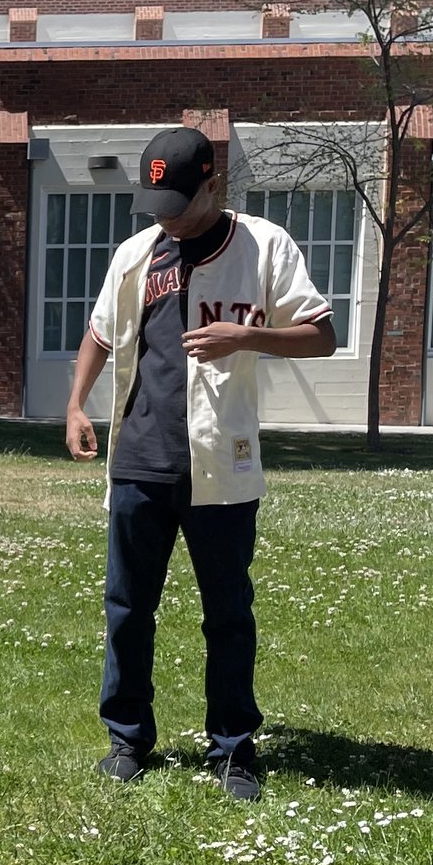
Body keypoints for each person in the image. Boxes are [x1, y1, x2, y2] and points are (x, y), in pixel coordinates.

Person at [64, 126, 337, 803]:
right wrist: (75, 406)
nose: (166, 214)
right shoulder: (137, 254)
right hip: (139, 461)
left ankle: (234, 748)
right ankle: (127, 738)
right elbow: (99, 331)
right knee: (127, 608)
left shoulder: (264, 245)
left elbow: (323, 335)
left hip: (222, 465)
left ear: (214, 182)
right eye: (155, 199)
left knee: (228, 614)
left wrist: (249, 335)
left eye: (178, 200)